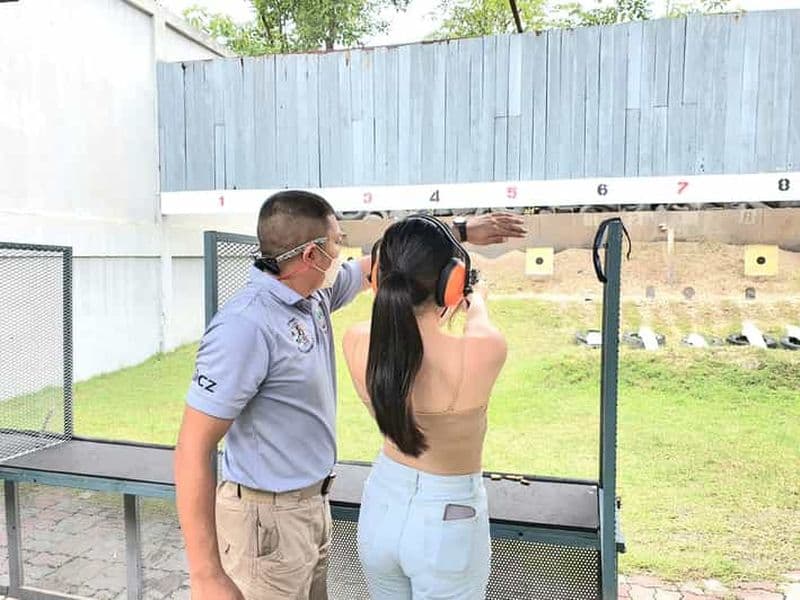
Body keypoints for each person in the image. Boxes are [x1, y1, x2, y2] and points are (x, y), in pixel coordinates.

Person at [174, 189, 526, 600]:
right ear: (311, 256)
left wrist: (461, 230)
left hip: (310, 510)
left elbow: (395, 263)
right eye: (337, 241)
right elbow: (192, 447)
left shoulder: (315, 297)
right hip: (263, 523)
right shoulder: (245, 326)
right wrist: (205, 574)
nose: (346, 253)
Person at [342, 215, 508, 600]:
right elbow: (478, 325)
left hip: (382, 505)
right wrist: (477, 299)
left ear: (377, 277)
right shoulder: (485, 349)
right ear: (451, 285)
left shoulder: (356, 341)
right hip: (448, 521)